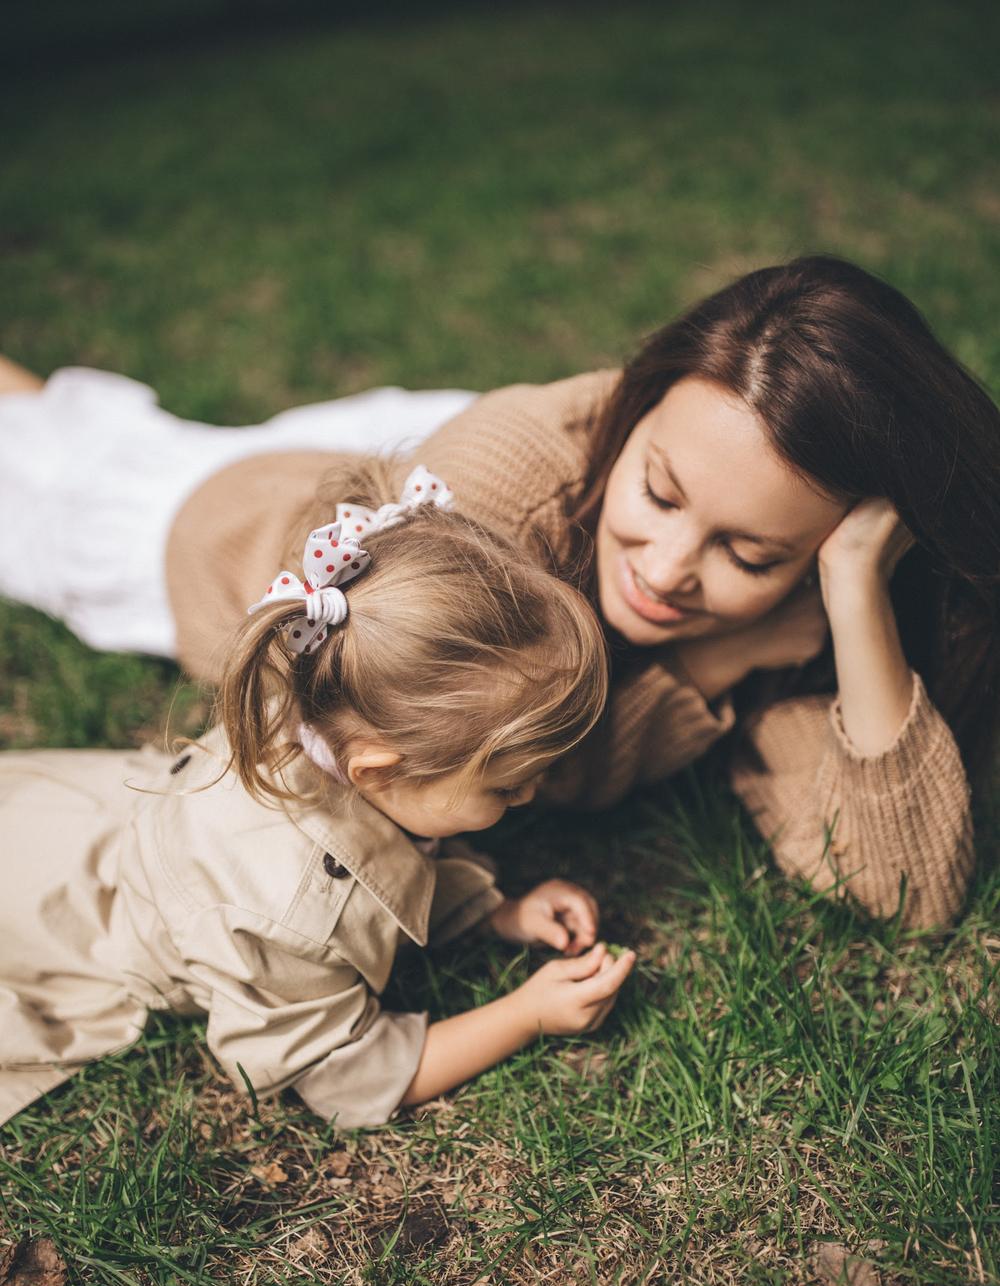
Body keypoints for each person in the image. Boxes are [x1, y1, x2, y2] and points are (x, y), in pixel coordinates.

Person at [1, 256, 993, 928]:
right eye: (657, 490)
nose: (662, 569)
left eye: (748, 555)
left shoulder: (821, 577)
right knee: (61, 468)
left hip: (396, 461)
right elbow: (484, 755)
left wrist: (857, 595)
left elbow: (903, 887)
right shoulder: (504, 479)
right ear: (637, 399)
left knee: (86, 432)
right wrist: (709, 661)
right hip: (213, 533)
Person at [0, 465, 634, 1129]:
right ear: (377, 772)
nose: (533, 794)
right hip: (50, 920)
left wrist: (497, 912)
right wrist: (525, 1014)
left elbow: (387, 870)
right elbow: (343, 1075)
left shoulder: (329, 710)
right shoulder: (287, 914)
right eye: (506, 785)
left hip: (72, 819)